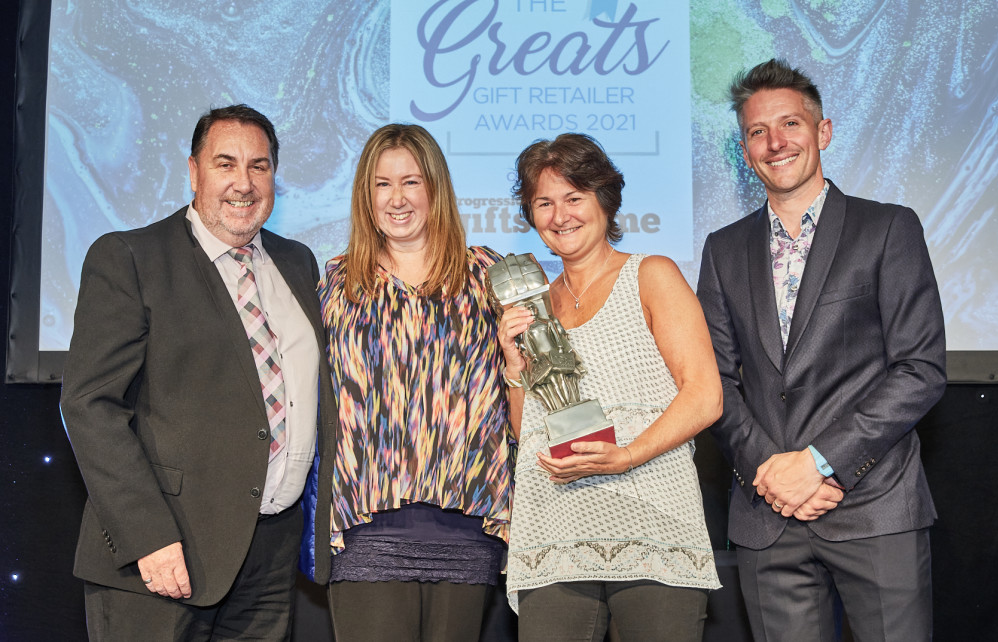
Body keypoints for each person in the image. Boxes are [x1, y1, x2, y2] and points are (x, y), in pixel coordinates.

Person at [60, 104, 336, 640]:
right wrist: (147, 537)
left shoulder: (298, 262)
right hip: (164, 553)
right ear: (193, 172)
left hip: (271, 556)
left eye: (259, 166)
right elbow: (89, 405)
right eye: (225, 164)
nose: (243, 183)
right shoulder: (131, 257)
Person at [696, 59, 947, 642]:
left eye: (790, 125)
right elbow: (714, 381)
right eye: (758, 131)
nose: (776, 142)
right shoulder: (722, 249)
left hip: (875, 505)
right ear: (745, 148)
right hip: (768, 516)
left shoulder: (888, 228)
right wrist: (770, 473)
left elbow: (921, 369)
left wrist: (816, 463)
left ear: (823, 132)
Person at [499, 133, 723, 642]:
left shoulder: (652, 275)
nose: (560, 216)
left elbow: (705, 396)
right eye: (544, 203)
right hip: (554, 535)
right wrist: (514, 366)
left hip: (652, 531)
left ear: (605, 199)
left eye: (574, 198)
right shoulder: (532, 306)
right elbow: (528, 430)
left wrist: (627, 455)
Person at [301, 123, 514, 641]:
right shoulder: (334, 284)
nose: (396, 199)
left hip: (468, 526)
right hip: (364, 531)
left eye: (411, 182)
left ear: (435, 188)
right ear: (364, 194)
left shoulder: (490, 275)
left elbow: (523, 391)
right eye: (382, 184)